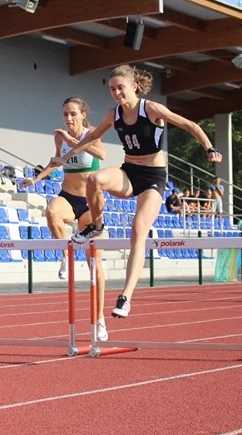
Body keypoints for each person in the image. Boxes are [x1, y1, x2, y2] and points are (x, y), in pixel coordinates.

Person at [50, 64, 222, 320]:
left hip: (154, 178)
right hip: (129, 172)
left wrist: (209, 148)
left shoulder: (151, 109)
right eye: (112, 89)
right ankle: (96, 226)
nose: (116, 92)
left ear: (133, 86)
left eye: (121, 87)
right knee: (95, 180)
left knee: (138, 231)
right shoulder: (113, 114)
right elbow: (92, 137)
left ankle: (125, 297)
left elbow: (190, 125)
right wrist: (66, 156)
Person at [20, 97, 109, 341]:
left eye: (72, 114)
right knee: (51, 212)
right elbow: (56, 160)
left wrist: (76, 141)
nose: (68, 119)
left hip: (90, 203)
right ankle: (65, 255)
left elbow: (101, 153)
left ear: (82, 115)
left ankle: (99, 318)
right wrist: (36, 179)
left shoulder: (92, 133)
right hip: (68, 195)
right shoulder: (59, 136)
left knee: (96, 267)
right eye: (65, 115)